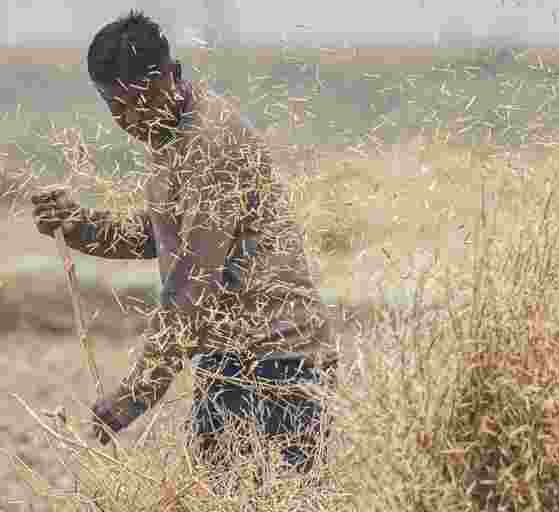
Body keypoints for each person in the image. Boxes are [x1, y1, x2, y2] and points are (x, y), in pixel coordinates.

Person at [30, 10, 337, 481]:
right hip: (228, 360)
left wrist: (137, 392)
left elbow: (190, 287)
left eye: (141, 102)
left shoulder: (209, 144)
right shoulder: (168, 133)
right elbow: (161, 235)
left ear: (172, 75)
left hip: (279, 364)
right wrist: (80, 226)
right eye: (118, 110)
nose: (133, 121)